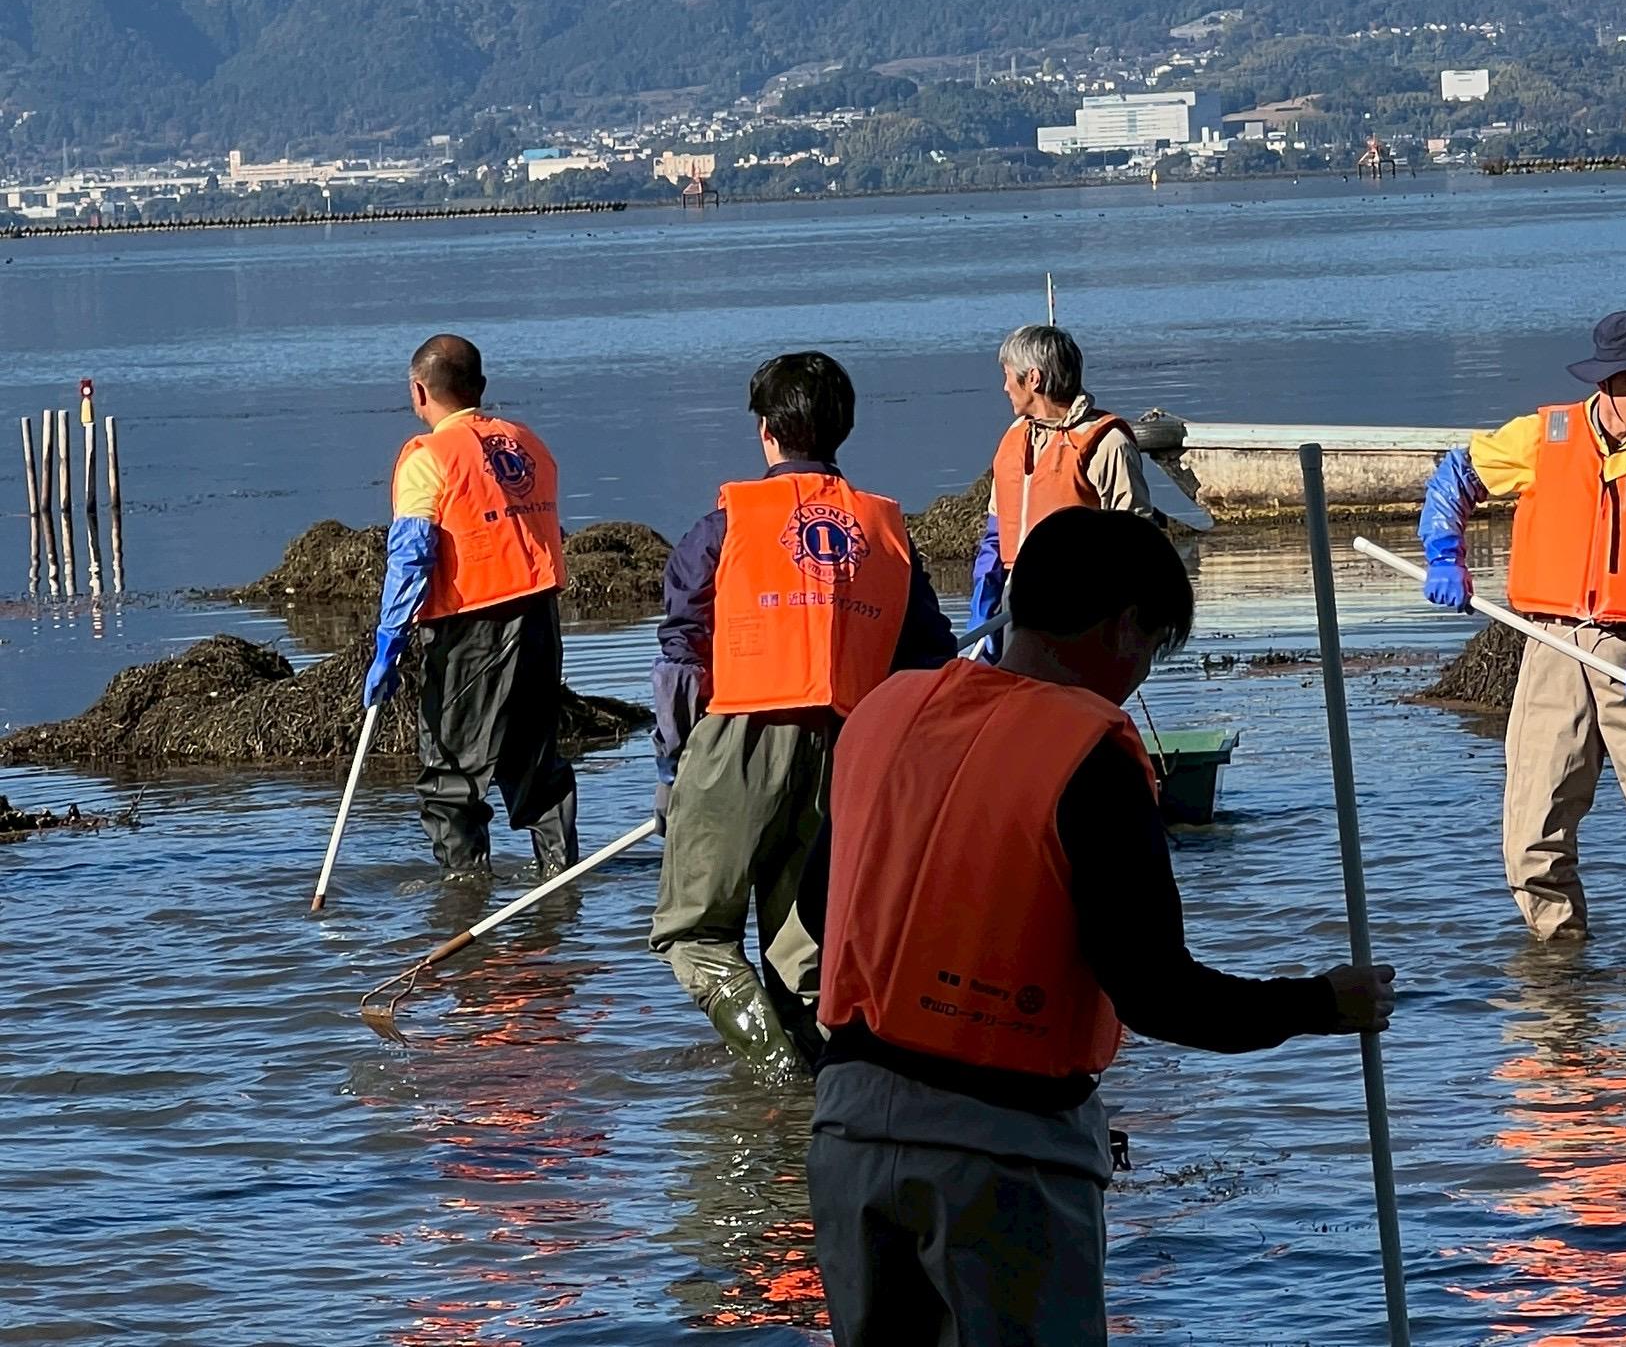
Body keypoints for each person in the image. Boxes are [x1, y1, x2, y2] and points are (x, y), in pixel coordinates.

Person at [806, 507, 1395, 1345]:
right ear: (1124, 627)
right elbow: (1157, 993)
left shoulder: (888, 709)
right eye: (1153, 648)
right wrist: (1321, 1003)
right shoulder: (1088, 756)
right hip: (1001, 1157)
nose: (1142, 674)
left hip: (850, 1133)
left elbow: (811, 906)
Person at [648, 351, 955, 1082]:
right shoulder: (887, 531)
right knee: (801, 951)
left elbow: (682, 651)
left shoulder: (725, 526)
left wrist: (672, 766)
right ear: (841, 432)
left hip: (739, 734)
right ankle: (840, 1091)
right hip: (845, 748)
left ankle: (782, 1076)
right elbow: (929, 663)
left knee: (692, 935)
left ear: (765, 432)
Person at [1416, 311, 1626, 945]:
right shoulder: (1543, 436)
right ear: (1607, 381)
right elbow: (1456, 476)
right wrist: (1443, 554)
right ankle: (1559, 975)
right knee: (1534, 830)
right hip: (1552, 645)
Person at [366, 334, 577, 876]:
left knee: (451, 777)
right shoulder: (527, 442)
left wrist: (390, 641)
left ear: (419, 392)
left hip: (470, 627)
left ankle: (463, 898)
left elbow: (412, 553)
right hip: (539, 619)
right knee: (537, 770)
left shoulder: (428, 457)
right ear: (480, 387)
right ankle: (561, 883)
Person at [968, 324, 1151, 644]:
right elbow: (995, 535)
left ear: (1033, 379)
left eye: (1008, 375)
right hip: (1017, 602)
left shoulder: (1107, 443)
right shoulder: (1014, 438)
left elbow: (1135, 540)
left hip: (1083, 605)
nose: (1005, 387)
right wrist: (984, 607)